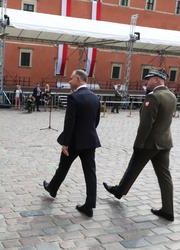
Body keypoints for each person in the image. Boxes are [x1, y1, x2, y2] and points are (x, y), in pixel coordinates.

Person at [103, 68, 176, 222]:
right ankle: (168, 210)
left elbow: (145, 124)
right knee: (165, 177)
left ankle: (118, 191)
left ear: (156, 79)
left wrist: (138, 144)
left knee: (132, 169)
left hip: (148, 144)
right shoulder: (171, 95)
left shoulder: (154, 96)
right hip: (165, 142)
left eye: (148, 79)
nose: (146, 82)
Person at [43, 69, 101, 217]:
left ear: (78, 79)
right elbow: (96, 121)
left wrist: (65, 143)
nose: (69, 81)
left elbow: (69, 123)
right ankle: (89, 205)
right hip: (90, 141)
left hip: (74, 142)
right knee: (90, 173)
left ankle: (53, 188)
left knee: (63, 167)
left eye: (71, 78)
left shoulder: (74, 97)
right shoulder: (95, 97)